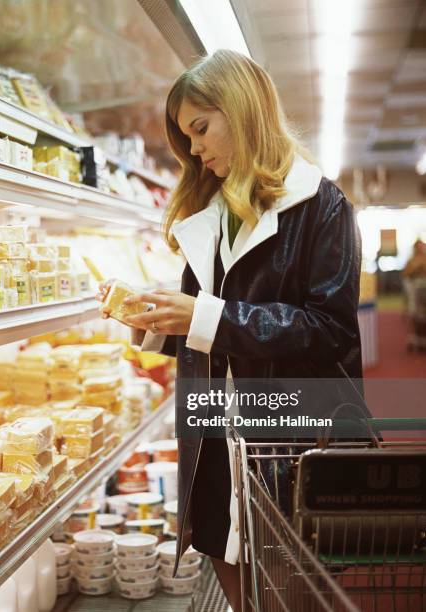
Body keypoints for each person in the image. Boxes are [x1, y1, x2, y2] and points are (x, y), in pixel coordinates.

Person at [96, 49, 362, 612]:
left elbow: (330, 330)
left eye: (200, 128)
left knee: (294, 578)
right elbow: (212, 332)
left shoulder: (322, 206)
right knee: (228, 556)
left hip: (290, 434)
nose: (194, 149)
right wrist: (157, 322)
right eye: (186, 137)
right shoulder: (210, 217)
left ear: (241, 109)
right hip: (215, 434)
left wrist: (203, 317)